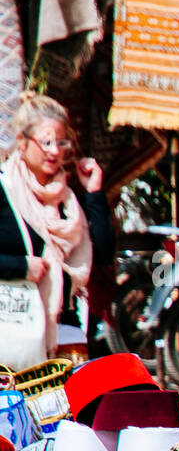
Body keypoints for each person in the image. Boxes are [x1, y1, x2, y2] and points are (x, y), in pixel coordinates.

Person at [0, 92, 112, 368]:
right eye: (46, 142)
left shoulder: (67, 202)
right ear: (23, 143)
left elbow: (104, 253)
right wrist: (21, 267)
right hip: (12, 329)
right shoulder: (5, 191)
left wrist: (95, 193)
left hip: (65, 332)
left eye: (61, 143)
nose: (54, 151)